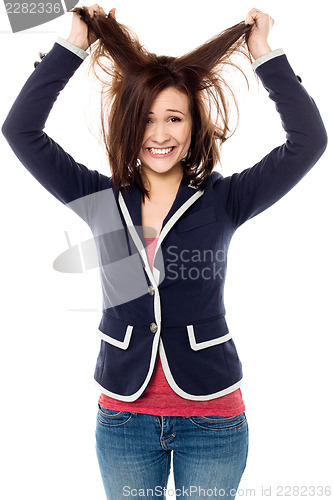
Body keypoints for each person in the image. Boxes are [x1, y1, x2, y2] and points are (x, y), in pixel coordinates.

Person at [1, 4, 327, 499]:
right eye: (147, 119)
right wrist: (72, 44)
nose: (159, 134)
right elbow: (20, 130)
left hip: (212, 419)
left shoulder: (225, 199)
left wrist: (265, 55)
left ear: (194, 125)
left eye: (174, 118)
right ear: (129, 125)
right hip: (125, 419)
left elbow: (308, 142)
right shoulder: (100, 200)